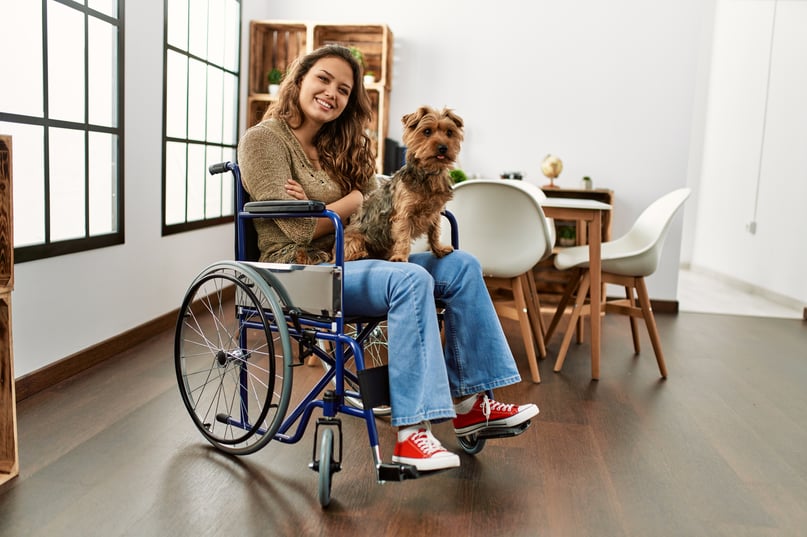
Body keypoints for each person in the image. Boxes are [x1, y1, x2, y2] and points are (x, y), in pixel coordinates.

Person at [237, 44, 538, 472]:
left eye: (344, 89)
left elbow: (381, 208)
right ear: (300, 79)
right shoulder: (263, 139)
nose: (332, 93)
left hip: (360, 258)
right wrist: (348, 202)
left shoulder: (339, 146)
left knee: (462, 265)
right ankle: (412, 436)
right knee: (411, 280)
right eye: (323, 79)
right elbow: (299, 229)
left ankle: (473, 405)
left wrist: (331, 204)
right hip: (304, 268)